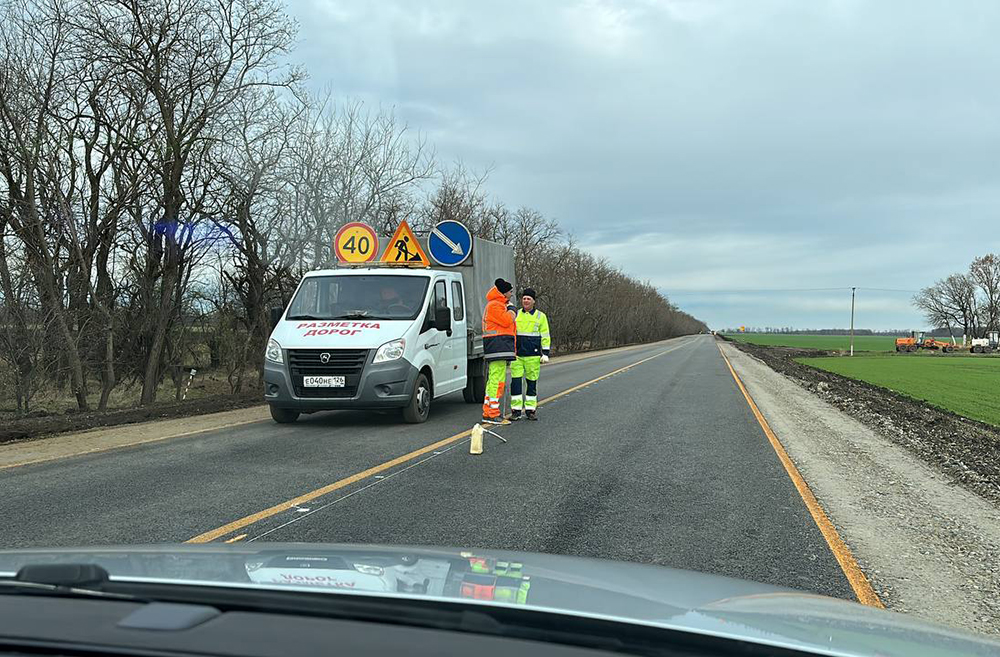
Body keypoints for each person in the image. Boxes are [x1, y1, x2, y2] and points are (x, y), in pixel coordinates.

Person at [509, 288, 551, 421]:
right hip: (517, 355)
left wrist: (545, 353)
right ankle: (515, 411)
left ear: (534, 301)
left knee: (531, 384)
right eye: (524, 298)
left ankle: (530, 410)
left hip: (533, 356)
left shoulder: (541, 316)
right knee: (515, 383)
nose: (526, 300)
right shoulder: (516, 314)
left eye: (529, 299)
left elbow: (545, 335)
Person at [481, 278, 517, 424]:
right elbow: (507, 321)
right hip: (497, 346)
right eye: (510, 291)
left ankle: (489, 411)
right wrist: (513, 311)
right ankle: (493, 414)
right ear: (504, 292)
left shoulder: (498, 304)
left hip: (498, 346)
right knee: (497, 380)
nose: (511, 294)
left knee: (495, 380)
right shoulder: (495, 305)